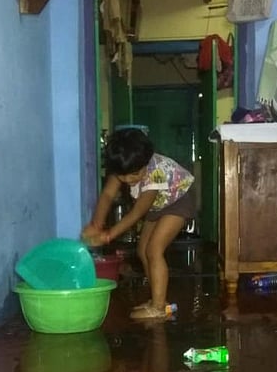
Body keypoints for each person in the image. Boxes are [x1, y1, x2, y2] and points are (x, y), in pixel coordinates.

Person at [82, 128, 195, 320]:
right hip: (159, 204)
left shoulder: (154, 172)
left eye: (135, 174)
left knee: (154, 250)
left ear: (146, 162)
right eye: (123, 176)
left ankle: (159, 308)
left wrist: (109, 235)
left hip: (178, 199)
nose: (128, 180)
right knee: (143, 250)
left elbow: (138, 212)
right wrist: (97, 224)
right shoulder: (123, 168)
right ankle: (158, 300)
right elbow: (108, 195)